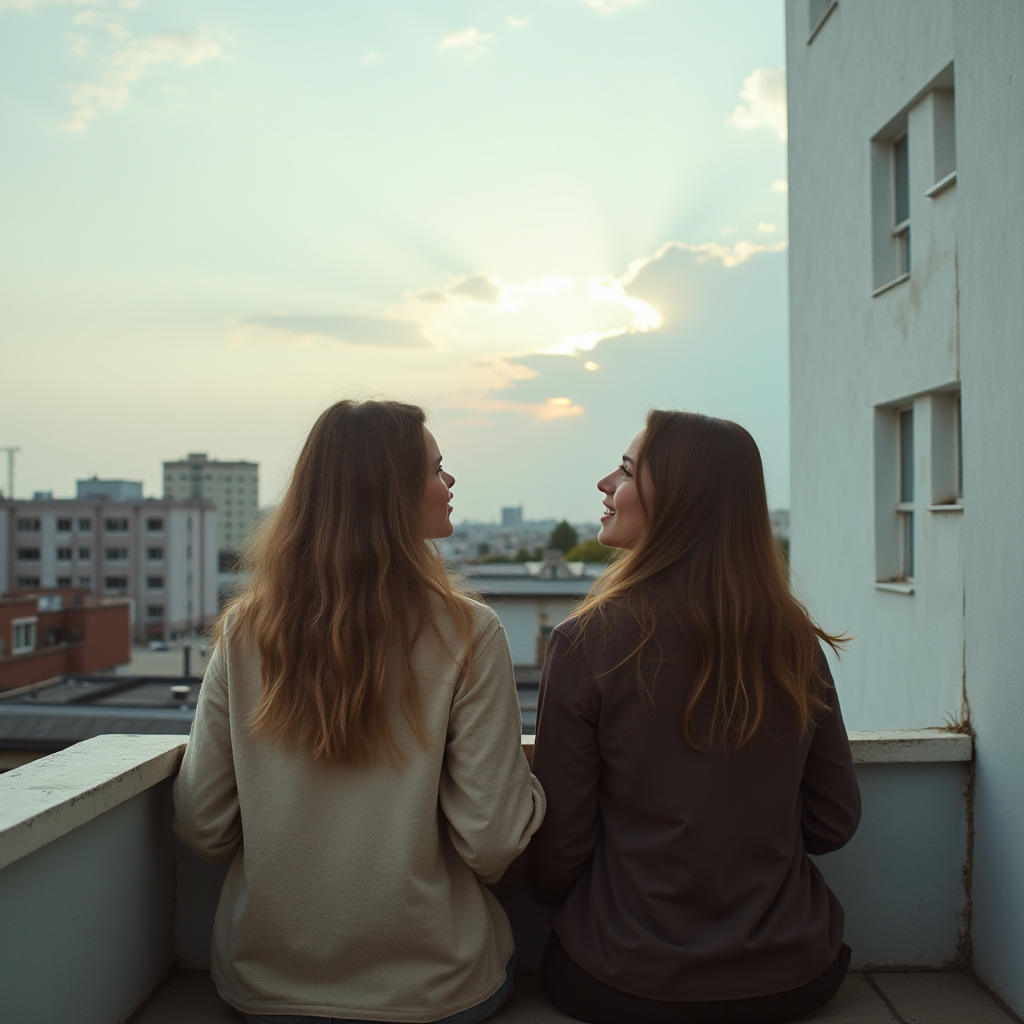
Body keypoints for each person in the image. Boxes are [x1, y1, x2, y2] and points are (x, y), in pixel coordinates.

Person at [174, 399, 545, 1024]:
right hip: (433, 991)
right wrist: (528, 787)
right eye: (436, 469)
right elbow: (494, 841)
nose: (449, 483)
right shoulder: (468, 631)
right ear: (391, 492)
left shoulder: (245, 631)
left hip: (264, 989)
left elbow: (201, 824)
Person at [529, 410, 861, 1024]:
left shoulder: (586, 642)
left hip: (621, 980)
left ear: (678, 498)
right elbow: (833, 822)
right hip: (794, 977)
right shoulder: (792, 639)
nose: (605, 483)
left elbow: (561, 840)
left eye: (625, 471)